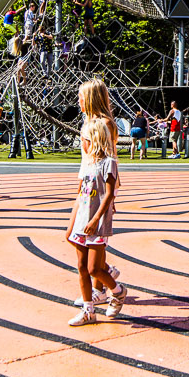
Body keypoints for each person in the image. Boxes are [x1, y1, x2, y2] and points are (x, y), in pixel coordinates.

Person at [66, 119, 126, 326]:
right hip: (82, 219)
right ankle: (88, 310)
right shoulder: (88, 163)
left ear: (94, 140)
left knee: (94, 269)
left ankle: (118, 292)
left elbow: (109, 195)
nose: (82, 143)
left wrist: (95, 219)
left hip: (97, 223)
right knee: (81, 267)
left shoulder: (109, 163)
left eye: (84, 139)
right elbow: (81, 191)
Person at [73, 79, 121, 309]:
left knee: (94, 241)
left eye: (81, 97)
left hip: (99, 189)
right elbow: (87, 161)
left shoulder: (104, 124)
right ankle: (104, 272)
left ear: (91, 98)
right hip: (86, 186)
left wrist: (110, 196)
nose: (78, 101)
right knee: (74, 236)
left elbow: (108, 161)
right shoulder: (88, 122)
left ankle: (100, 286)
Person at [16, 1, 38, 85]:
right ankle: (19, 81)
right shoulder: (30, 12)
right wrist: (35, 21)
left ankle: (23, 81)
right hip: (29, 24)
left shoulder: (26, 12)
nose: (34, 9)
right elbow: (32, 19)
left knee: (21, 69)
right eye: (34, 7)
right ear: (32, 7)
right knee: (18, 69)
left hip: (25, 57)